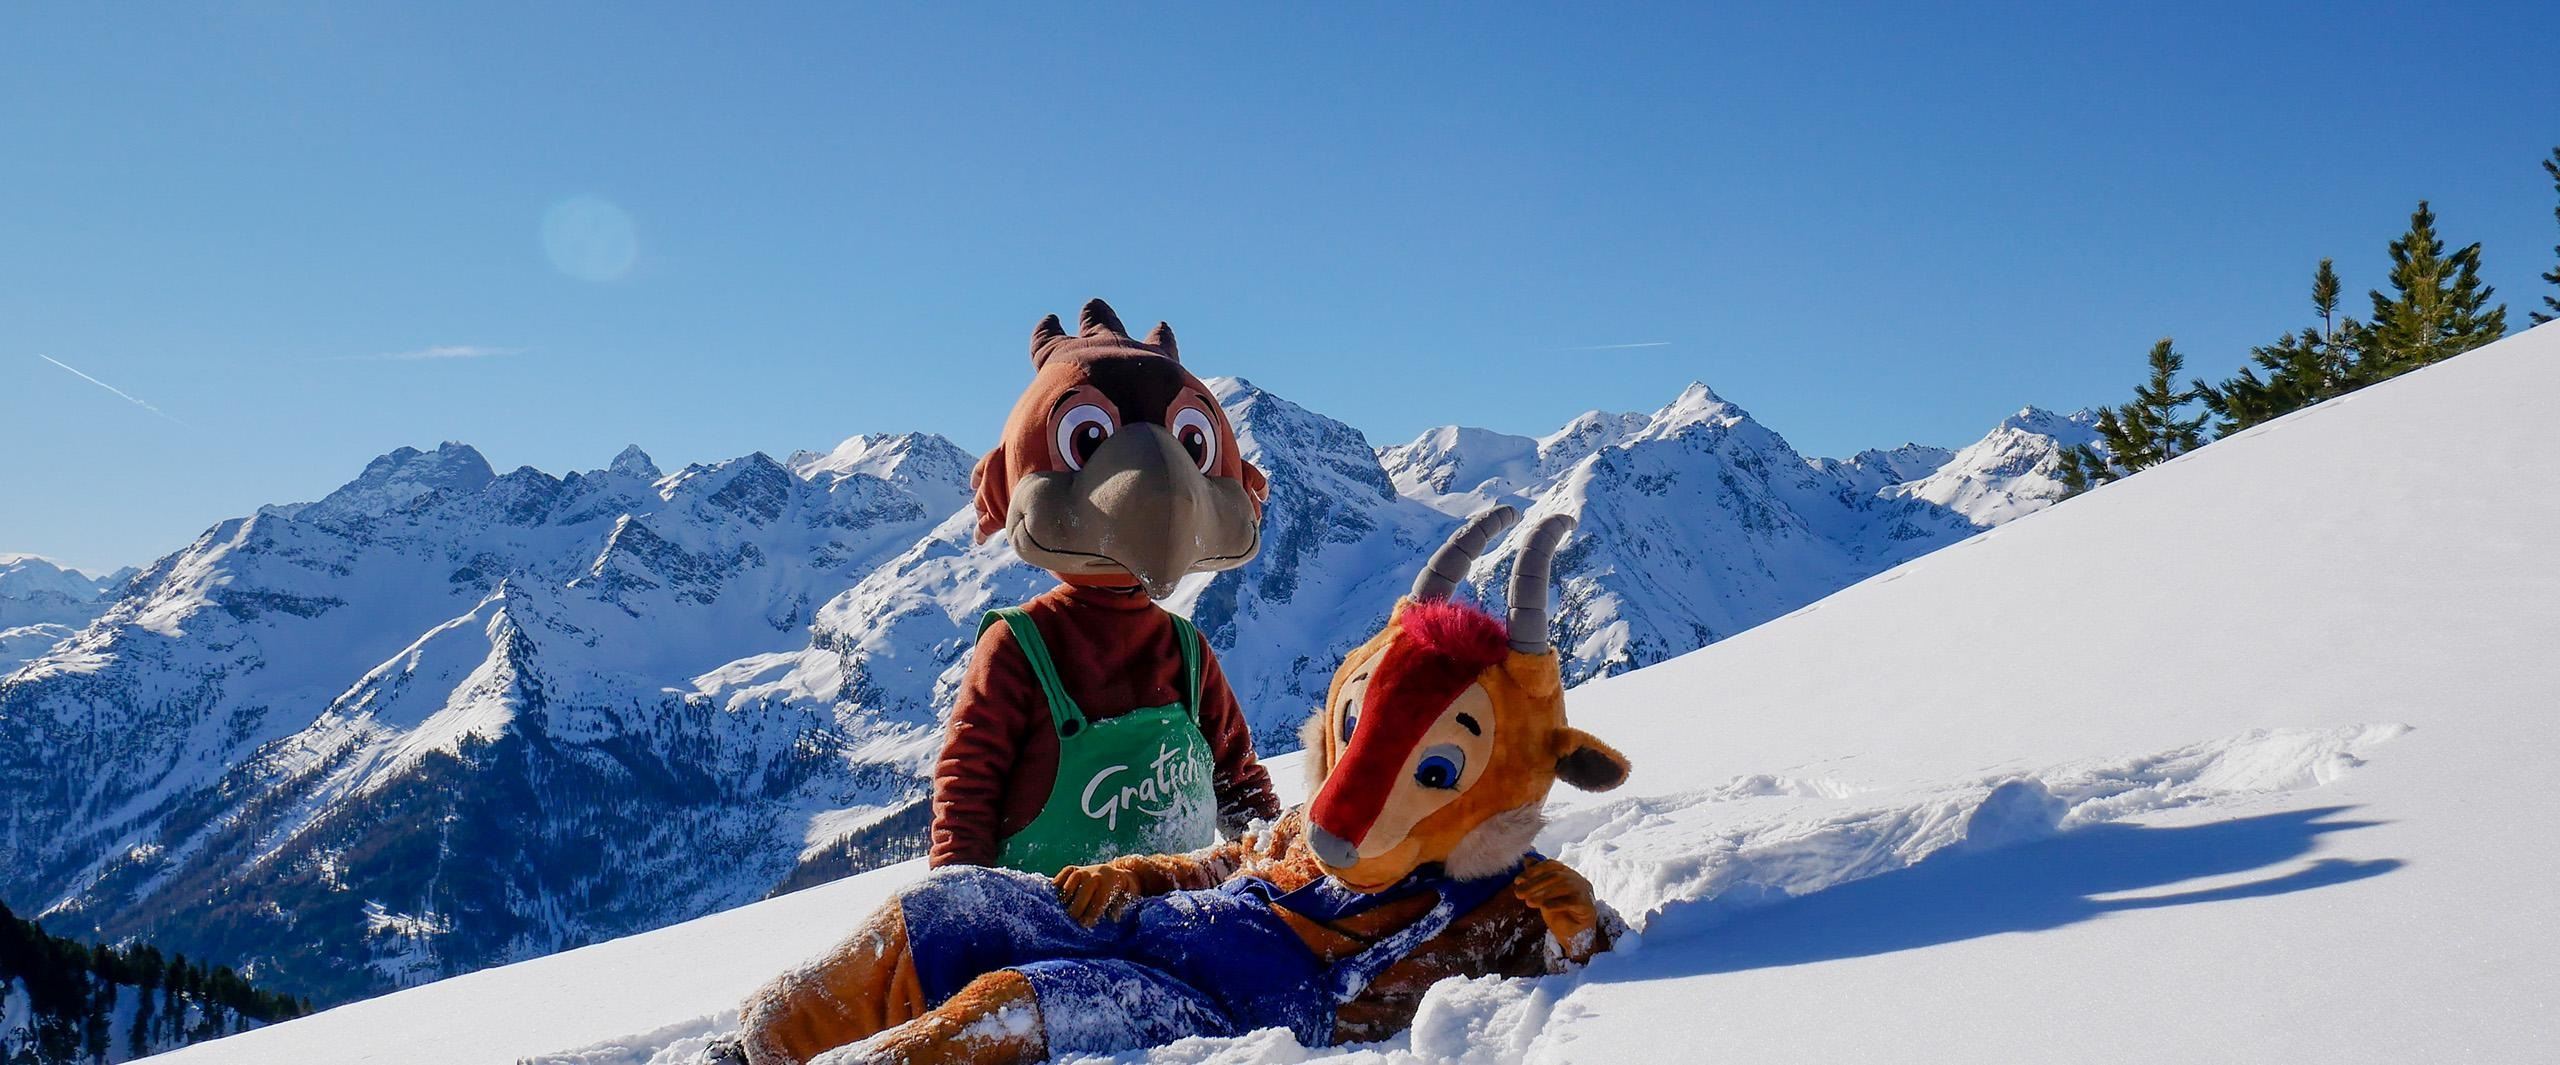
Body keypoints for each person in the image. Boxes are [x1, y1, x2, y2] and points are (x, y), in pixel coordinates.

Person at [932, 299, 1279, 875]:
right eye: (1088, 439)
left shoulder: (1188, 652)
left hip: (1179, 912)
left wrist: (1276, 863)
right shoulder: (1021, 647)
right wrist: (962, 897)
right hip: (1051, 921)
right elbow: (967, 790)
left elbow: (1239, 784)